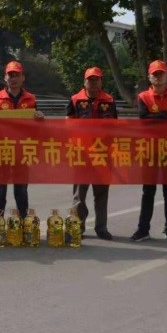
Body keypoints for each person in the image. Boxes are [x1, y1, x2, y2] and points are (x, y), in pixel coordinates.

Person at [130, 60, 167, 244]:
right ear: (149, 77)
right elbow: (144, 119)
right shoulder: (144, 97)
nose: (158, 77)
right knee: (148, 192)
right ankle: (143, 230)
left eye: (161, 73)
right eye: (155, 74)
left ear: (166, 76)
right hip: (150, 151)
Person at [0, 61, 45, 218]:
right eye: (10, 75)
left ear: (23, 77)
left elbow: (36, 126)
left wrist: (40, 118)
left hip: (22, 150)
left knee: (21, 190)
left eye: (17, 75)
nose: (13, 79)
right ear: (5, 78)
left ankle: (23, 223)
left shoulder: (31, 99)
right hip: (1, 150)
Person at [66, 67, 117, 240]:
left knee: (101, 193)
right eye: (90, 79)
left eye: (96, 79)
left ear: (101, 81)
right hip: (82, 153)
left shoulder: (109, 100)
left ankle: (101, 228)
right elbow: (68, 125)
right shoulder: (75, 100)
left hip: (102, 153)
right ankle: (77, 227)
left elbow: (115, 126)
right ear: (84, 81)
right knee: (79, 194)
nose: (93, 83)